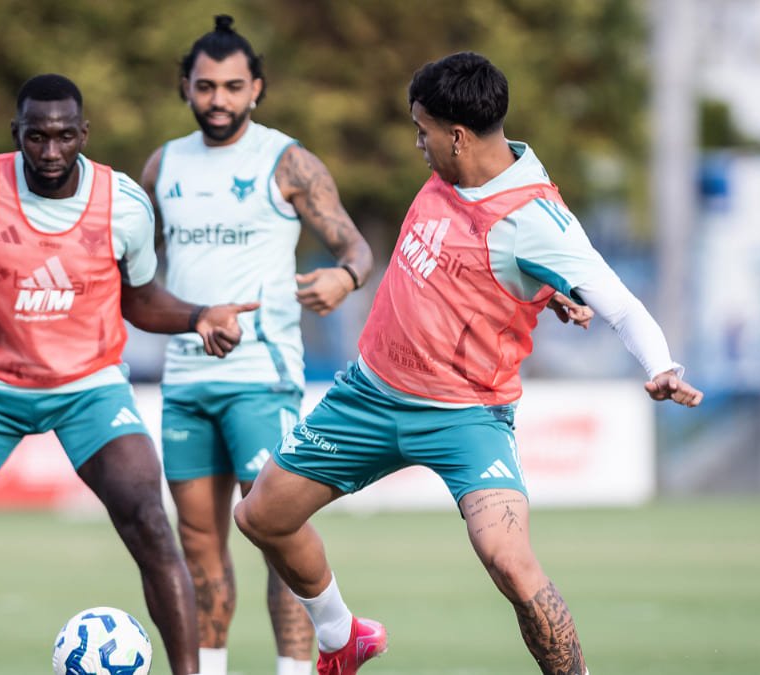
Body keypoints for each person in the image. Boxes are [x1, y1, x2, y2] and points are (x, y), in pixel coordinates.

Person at [234, 52, 703, 675]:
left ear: (457, 137)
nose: (417, 142)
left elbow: (619, 304)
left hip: (466, 417)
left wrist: (662, 363)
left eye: (423, 130)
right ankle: (342, 637)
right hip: (368, 396)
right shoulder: (453, 174)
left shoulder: (536, 220)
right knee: (261, 515)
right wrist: (542, 293)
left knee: (508, 561)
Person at [0, 73, 254, 675]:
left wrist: (198, 317)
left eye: (65, 136)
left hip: (88, 387)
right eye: (37, 137)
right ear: (18, 134)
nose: (52, 151)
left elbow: (137, 302)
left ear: (84, 134)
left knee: (149, 522)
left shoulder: (125, 205)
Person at [137, 15, 374, 675]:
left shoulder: (288, 161)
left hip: (261, 377)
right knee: (198, 543)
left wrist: (344, 275)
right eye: (206, 86)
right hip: (184, 380)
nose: (220, 100)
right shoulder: (163, 165)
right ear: (185, 86)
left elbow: (356, 246)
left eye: (234, 86)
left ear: (257, 88)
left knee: (276, 530)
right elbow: (137, 272)